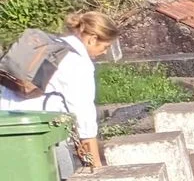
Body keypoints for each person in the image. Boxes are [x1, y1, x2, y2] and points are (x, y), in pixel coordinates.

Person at [0, 10, 116, 168]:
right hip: (38, 137)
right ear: (93, 39)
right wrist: (96, 167)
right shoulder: (77, 62)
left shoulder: (49, 48)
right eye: (105, 46)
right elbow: (84, 118)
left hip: (7, 128)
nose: (105, 52)